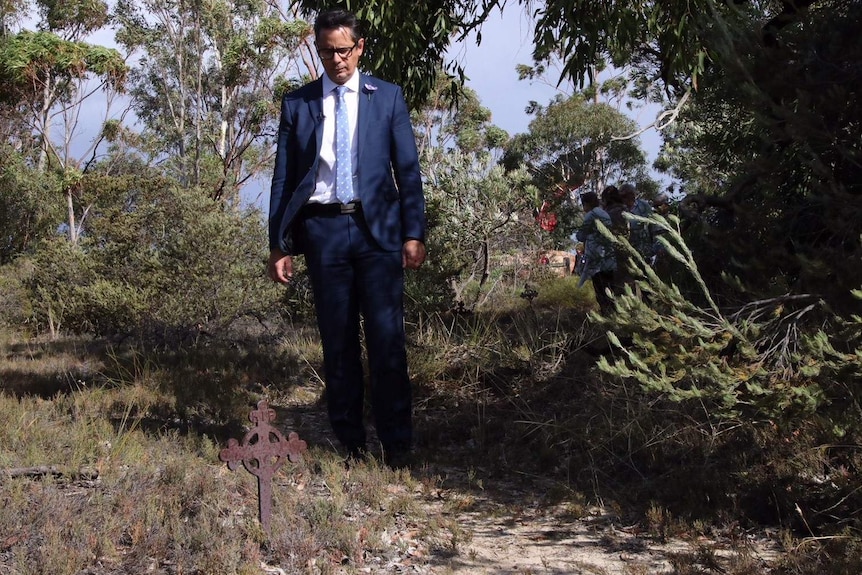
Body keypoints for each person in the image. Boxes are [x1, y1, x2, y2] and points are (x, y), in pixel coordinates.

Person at [267, 8, 426, 469]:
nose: (337, 59)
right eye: (327, 51)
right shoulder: (297, 103)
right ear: (317, 50)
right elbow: (284, 179)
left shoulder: (388, 98)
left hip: (378, 233)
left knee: (386, 340)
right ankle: (351, 444)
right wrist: (280, 243)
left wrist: (413, 232)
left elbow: (408, 173)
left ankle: (397, 445)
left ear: (359, 47)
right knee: (337, 344)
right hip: (323, 232)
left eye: (344, 50)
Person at [576, 191, 616, 312]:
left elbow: (580, 236)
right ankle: (615, 313)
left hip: (596, 259)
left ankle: (606, 314)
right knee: (610, 289)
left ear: (587, 204)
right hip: (609, 258)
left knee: (601, 291)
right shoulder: (605, 213)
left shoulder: (591, 215)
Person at [619, 182, 655, 262]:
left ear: (632, 195)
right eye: (622, 196)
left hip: (645, 248)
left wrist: (655, 246)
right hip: (628, 251)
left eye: (625, 196)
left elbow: (653, 225)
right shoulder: (620, 209)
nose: (624, 199)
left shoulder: (643, 206)